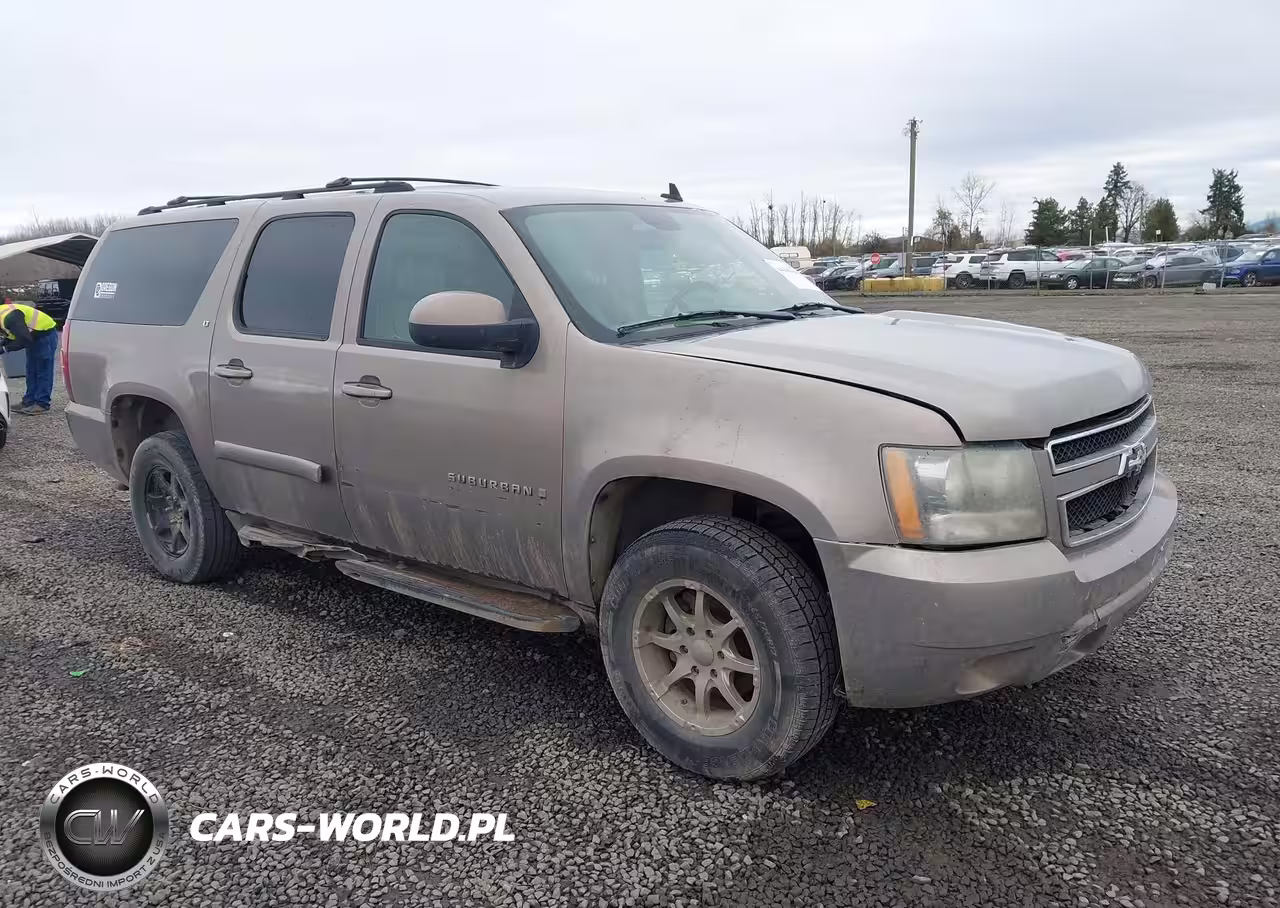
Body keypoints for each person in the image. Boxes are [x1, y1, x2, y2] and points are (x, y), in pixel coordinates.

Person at [0, 299, 60, 415]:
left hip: (44, 334)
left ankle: (42, 403)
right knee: (31, 370)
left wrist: (4, 349)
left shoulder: (10, 318)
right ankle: (29, 401)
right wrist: (4, 343)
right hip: (34, 335)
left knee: (43, 370)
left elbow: (24, 339)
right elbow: (14, 334)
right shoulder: (3, 316)